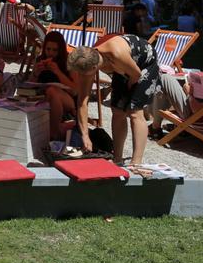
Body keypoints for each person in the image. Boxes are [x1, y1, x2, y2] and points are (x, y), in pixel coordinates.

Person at [67, 32, 161, 167]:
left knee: (134, 111)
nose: (81, 76)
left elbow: (135, 75)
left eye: (83, 74)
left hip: (143, 63)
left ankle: (136, 161)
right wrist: (85, 136)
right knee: (117, 111)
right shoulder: (86, 66)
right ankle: (117, 158)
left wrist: (128, 94)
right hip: (122, 68)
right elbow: (82, 102)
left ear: (94, 68)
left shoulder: (116, 54)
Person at [32, 30, 76, 133]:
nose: (50, 53)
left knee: (52, 91)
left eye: (55, 50)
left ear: (60, 50)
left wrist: (58, 72)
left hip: (67, 98)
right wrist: (35, 73)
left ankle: (54, 133)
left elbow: (75, 90)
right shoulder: (40, 59)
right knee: (49, 92)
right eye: (48, 49)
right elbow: (30, 85)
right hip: (44, 96)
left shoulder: (68, 61)